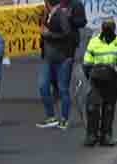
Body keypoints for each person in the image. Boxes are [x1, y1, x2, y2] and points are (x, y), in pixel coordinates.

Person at [37, 0, 86, 129]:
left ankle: (64, 118)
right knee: (43, 86)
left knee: (63, 88)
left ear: (48, 3)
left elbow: (67, 34)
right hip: (48, 56)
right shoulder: (47, 14)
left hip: (63, 56)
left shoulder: (62, 14)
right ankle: (51, 117)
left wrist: (49, 35)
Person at [83, 18, 117, 146]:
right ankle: (92, 135)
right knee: (93, 108)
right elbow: (87, 63)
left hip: (111, 80)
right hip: (96, 80)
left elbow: (86, 64)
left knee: (108, 108)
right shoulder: (94, 42)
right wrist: (91, 77)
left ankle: (105, 136)